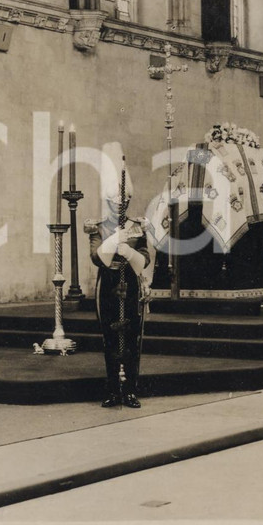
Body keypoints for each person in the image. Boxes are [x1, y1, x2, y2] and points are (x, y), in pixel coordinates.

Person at [85, 145, 150, 408]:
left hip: (131, 282)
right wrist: (114, 241)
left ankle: (131, 390)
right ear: (108, 201)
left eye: (123, 202)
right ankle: (113, 389)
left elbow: (145, 258)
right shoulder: (99, 227)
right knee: (109, 338)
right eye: (114, 202)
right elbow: (96, 258)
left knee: (133, 337)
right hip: (109, 282)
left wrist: (127, 250)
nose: (119, 206)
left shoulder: (137, 225)